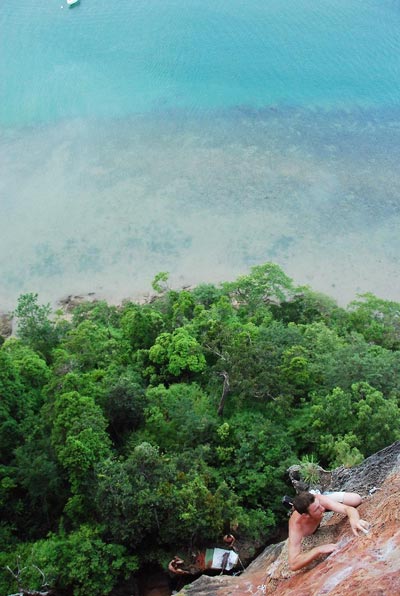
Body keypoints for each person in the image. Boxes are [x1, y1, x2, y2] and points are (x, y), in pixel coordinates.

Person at [288, 491, 369, 571]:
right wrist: (318, 550)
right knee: (309, 531)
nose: (322, 508)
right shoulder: (297, 525)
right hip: (310, 526)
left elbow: (348, 509)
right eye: (317, 509)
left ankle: (322, 493)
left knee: (356, 499)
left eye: (319, 505)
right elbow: (293, 564)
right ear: (305, 515)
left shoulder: (320, 501)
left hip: (320, 499)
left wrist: (354, 520)